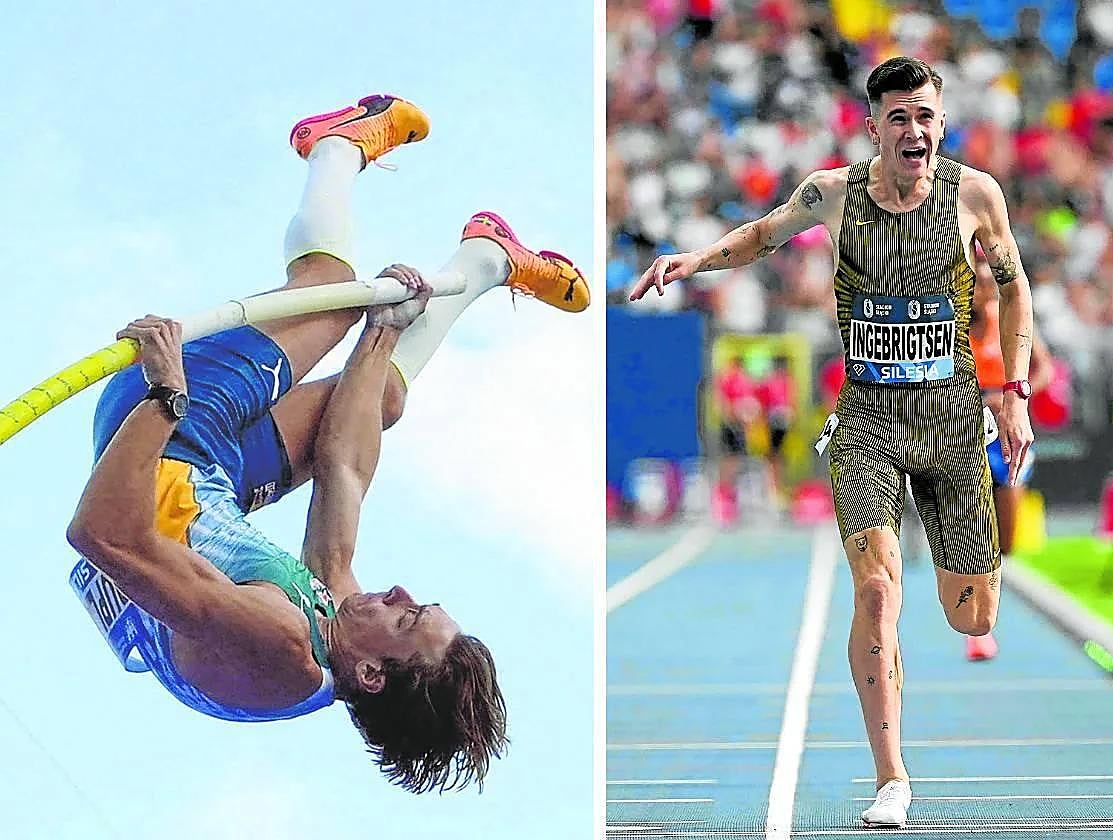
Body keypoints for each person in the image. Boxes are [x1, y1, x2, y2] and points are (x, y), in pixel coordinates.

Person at [66, 94, 588, 793]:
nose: (399, 590)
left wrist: (166, 393)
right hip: (207, 465)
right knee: (382, 398)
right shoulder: (334, 630)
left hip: (163, 431)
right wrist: (387, 329)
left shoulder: (280, 646)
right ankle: (487, 257)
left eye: (406, 616)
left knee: (330, 290)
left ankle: (334, 148)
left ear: (373, 673)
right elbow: (344, 466)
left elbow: (102, 534)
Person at [630, 57, 1035, 828]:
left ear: (940, 123)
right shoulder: (834, 193)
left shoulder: (977, 195)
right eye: (898, 118)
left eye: (925, 116)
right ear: (874, 126)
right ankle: (892, 779)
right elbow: (763, 234)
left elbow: (1014, 291)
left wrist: (1012, 395)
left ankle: (974, 586)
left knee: (972, 617)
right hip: (870, 420)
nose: (913, 130)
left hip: (951, 415)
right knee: (877, 590)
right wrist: (692, 262)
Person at [965, 249, 1052, 661]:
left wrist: (1016, 394)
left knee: (1008, 543)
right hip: (965, 438)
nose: (983, 282)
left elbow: (1044, 368)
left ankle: (983, 607)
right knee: (978, 536)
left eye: (987, 273)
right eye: (975, 274)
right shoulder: (954, 322)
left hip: (1007, 438)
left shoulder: (1011, 318)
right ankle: (978, 629)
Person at [713, 354, 760, 524]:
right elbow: (724, 402)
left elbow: (749, 405)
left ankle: (731, 498)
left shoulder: (743, 381)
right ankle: (722, 498)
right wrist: (731, 418)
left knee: (737, 461)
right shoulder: (729, 379)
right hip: (731, 424)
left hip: (739, 425)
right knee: (730, 461)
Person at [758, 354, 796, 508]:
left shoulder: (785, 381)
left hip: (780, 420)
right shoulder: (777, 381)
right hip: (775, 420)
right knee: (774, 457)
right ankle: (773, 489)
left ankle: (777, 489)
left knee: (778, 457)